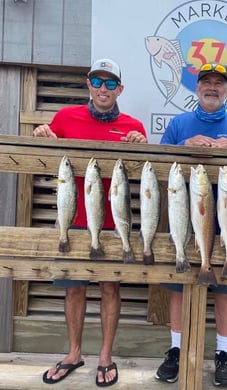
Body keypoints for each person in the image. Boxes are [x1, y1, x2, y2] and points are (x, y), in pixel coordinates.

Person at [33, 58, 147, 387]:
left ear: (120, 89)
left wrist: (141, 146)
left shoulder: (134, 125)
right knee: (73, 289)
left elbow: (143, 175)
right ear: (88, 84)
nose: (103, 89)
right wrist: (44, 136)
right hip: (73, 221)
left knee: (110, 288)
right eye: (97, 82)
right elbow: (47, 165)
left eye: (111, 83)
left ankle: (106, 356)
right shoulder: (65, 118)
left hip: (114, 223)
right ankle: (73, 353)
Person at [155, 63, 227, 388]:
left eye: (219, 83)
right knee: (179, 288)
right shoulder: (179, 124)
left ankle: (223, 354)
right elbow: (158, 159)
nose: (212, 87)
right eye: (206, 82)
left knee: (226, 291)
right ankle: (176, 350)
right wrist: (183, 147)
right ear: (197, 88)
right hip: (185, 221)